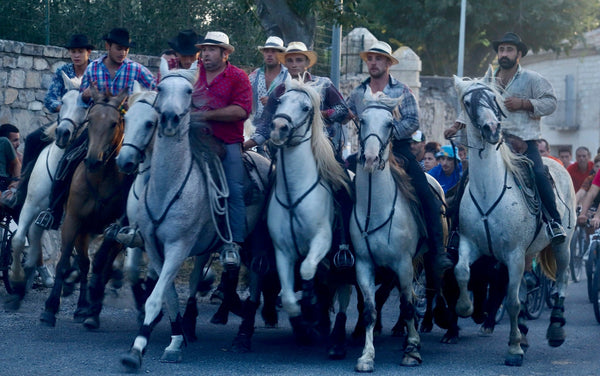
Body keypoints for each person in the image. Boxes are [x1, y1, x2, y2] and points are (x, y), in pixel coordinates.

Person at [445, 32, 566, 244]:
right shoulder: (489, 79)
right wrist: (456, 125)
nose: (504, 54)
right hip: (494, 143)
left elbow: (551, 102)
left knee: (538, 173)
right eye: (501, 49)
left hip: (523, 143)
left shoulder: (532, 79)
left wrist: (524, 104)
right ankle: (456, 232)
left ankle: (553, 222)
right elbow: (475, 106)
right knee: (466, 177)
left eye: (509, 50)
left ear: (519, 54)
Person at [347, 40, 452, 279]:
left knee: (426, 194)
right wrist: (331, 112)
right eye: (370, 59)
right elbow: (344, 112)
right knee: (343, 190)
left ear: (387, 63)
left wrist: (386, 133)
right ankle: (344, 248)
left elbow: (412, 121)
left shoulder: (403, 91)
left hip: (399, 150)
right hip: (366, 151)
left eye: (378, 59)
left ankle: (437, 251)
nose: (373, 63)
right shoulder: (358, 92)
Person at [36, 28, 156, 230]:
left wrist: (135, 104)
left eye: (126, 49)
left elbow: (154, 94)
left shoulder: (137, 70)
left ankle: (130, 221)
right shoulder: (94, 69)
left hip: (124, 129)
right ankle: (54, 211)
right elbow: (82, 102)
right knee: (68, 158)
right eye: (118, 48)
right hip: (96, 128)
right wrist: (84, 96)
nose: (122, 53)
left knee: (137, 168)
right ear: (108, 46)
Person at [190, 31, 252, 267]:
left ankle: (233, 245)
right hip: (192, 140)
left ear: (225, 54)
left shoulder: (238, 77)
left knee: (234, 190)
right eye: (204, 49)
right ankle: (131, 225)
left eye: (211, 49)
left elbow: (241, 110)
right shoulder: (192, 73)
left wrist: (205, 115)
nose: (205, 53)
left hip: (227, 143)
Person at [245, 36, 288, 155]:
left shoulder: (288, 77)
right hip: (254, 129)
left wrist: (274, 101)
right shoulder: (254, 76)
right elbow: (245, 98)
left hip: (280, 130)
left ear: (281, 54)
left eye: (273, 51)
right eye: (266, 51)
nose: (269, 55)